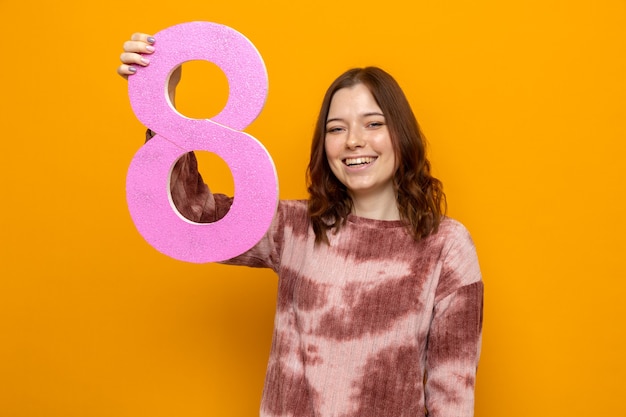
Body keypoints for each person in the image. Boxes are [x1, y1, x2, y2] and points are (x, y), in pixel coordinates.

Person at [118, 32, 484, 417]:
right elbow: (193, 213)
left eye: (373, 123)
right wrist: (164, 104)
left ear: (401, 134)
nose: (354, 141)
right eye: (336, 128)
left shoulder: (446, 246)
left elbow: (452, 394)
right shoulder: (295, 228)